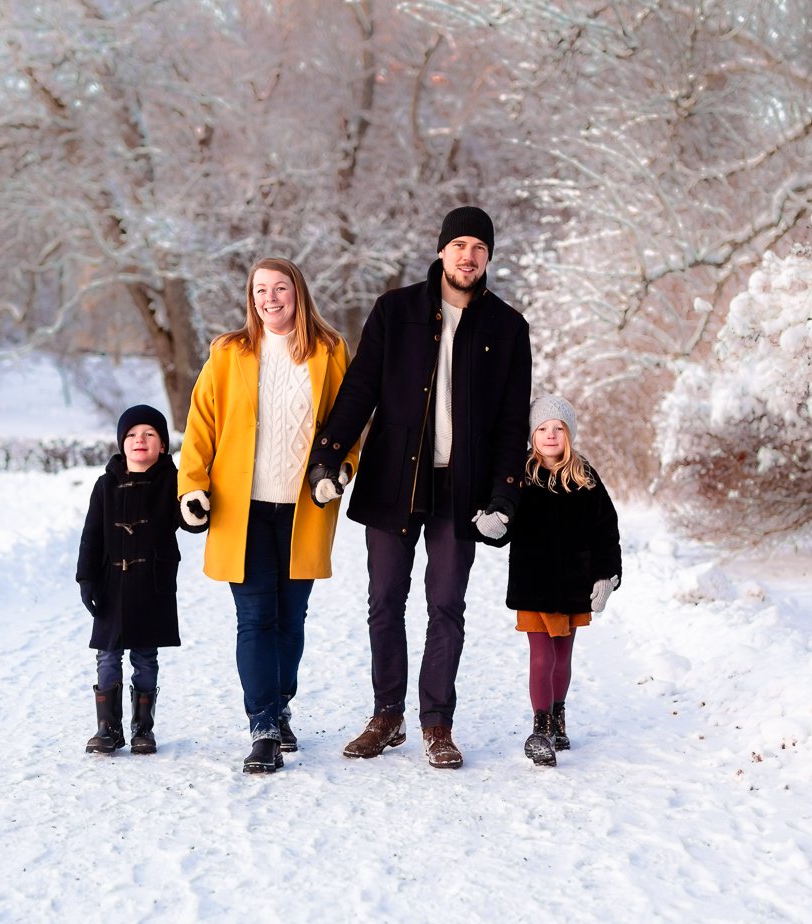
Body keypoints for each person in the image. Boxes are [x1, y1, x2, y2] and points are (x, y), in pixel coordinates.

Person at [307, 206, 532, 769]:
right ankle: (387, 716)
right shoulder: (396, 311)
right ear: (441, 251)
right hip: (393, 480)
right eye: (459, 244)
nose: (468, 255)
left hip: (463, 489)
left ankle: (437, 724)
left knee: (446, 604)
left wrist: (505, 494)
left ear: (488, 258)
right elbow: (360, 388)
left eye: (479, 247)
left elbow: (511, 422)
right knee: (384, 601)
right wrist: (328, 456)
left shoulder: (508, 329)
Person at [177, 257, 357, 775]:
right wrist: (192, 485)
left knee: (291, 619)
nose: (270, 299)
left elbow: (348, 426)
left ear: (298, 293)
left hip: (305, 508)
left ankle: (280, 705)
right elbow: (201, 424)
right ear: (250, 297)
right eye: (260, 290)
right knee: (255, 618)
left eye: (280, 289)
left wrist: (340, 469)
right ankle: (263, 728)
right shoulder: (229, 352)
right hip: (243, 510)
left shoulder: (329, 350)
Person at [505, 395, 621, 767]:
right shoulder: (520, 475)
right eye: (542, 429)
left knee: (562, 657)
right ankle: (540, 729)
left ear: (569, 434)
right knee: (541, 655)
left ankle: (557, 716)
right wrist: (490, 523)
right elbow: (501, 520)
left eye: (558, 428)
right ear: (532, 435)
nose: (551, 435)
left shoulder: (584, 476)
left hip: (574, 583)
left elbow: (607, 530)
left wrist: (607, 576)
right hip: (533, 582)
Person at [76, 403, 188, 756]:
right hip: (111, 583)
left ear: (163, 445)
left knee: (145, 656)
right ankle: (107, 728)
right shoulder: (105, 485)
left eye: (150, 435)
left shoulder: (173, 481)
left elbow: (190, 518)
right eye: (132, 435)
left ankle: (143, 728)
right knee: (107, 656)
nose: (140, 440)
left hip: (151, 584)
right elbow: (91, 534)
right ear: (122, 444)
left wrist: (198, 506)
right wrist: (86, 578)